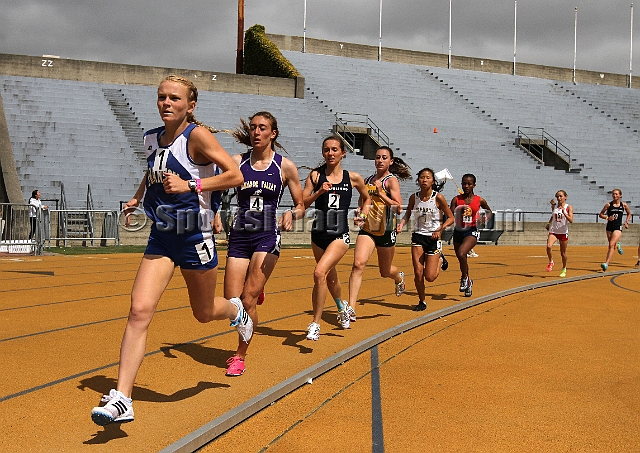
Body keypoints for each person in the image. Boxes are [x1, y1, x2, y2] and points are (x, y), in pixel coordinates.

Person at [90, 75, 250, 426]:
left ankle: (235, 310)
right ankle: (123, 398)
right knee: (139, 310)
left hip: (195, 237)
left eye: (174, 98)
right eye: (162, 96)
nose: (166, 103)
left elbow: (235, 175)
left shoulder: (197, 136)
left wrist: (191, 183)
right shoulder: (150, 138)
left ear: (190, 106)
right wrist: (137, 197)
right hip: (162, 236)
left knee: (205, 313)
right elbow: (152, 172)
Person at [223, 111, 304, 376]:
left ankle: (240, 355)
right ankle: (257, 289)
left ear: (273, 133)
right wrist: (213, 213)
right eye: (254, 128)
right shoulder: (237, 162)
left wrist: (291, 213)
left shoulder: (285, 167)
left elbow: (301, 204)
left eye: (263, 128)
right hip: (240, 233)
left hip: (267, 235)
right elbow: (217, 189)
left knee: (247, 301)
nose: (256, 132)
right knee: (232, 301)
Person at [303, 135, 370, 341]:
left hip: (340, 235)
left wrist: (363, 215)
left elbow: (367, 198)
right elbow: (302, 203)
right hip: (318, 234)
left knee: (319, 273)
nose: (330, 153)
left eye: (334, 149)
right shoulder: (315, 176)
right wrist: (318, 193)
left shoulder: (353, 178)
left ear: (343, 153)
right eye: (326, 150)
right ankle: (342, 308)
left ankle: (315, 323)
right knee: (330, 277)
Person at [346, 146, 411, 322]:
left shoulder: (391, 181)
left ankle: (398, 277)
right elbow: (363, 201)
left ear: (390, 161)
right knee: (358, 264)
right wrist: (359, 213)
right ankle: (351, 308)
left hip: (386, 231)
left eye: (384, 157)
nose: (380, 160)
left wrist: (382, 194)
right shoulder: (368, 180)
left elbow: (398, 208)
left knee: (385, 271)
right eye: (377, 157)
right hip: (368, 229)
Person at [396, 168, 454, 311]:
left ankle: (440, 260)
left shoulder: (438, 198)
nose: (424, 180)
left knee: (430, 277)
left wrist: (439, 229)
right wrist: (401, 224)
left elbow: (451, 218)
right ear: (418, 180)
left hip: (433, 238)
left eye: (428, 177)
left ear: (433, 181)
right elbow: (407, 214)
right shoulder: (413, 197)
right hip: (418, 236)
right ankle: (422, 301)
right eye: (422, 177)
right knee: (418, 272)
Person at [450, 174, 492, 298]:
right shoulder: (456, 199)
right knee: (461, 258)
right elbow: (449, 214)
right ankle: (468, 281)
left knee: (462, 253)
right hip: (458, 231)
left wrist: (484, 219)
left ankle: (463, 278)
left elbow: (488, 211)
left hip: (471, 231)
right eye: (464, 183)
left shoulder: (480, 200)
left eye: (469, 184)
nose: (466, 186)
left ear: (474, 185)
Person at [598, 188, 632, 271]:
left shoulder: (624, 205)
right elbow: (601, 214)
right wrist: (607, 218)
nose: (614, 195)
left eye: (616, 194)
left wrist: (626, 222)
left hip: (618, 227)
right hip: (609, 227)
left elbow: (629, 213)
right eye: (613, 194)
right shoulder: (608, 205)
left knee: (611, 245)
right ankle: (618, 245)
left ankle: (606, 264)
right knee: (611, 244)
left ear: (620, 195)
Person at [545, 190, 574, 277]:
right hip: (554, 231)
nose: (559, 198)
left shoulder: (568, 207)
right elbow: (553, 216)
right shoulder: (555, 206)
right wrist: (549, 223)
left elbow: (571, 220)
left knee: (563, 253)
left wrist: (564, 212)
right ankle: (551, 262)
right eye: (557, 196)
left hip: (563, 232)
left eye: (561, 196)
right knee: (549, 246)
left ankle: (564, 268)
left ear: (565, 197)